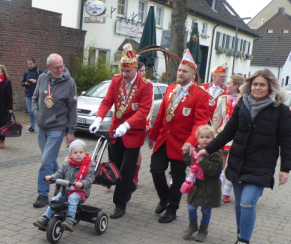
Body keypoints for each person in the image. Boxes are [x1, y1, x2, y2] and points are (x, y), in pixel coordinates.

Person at [197, 69, 291, 244]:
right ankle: (241, 238)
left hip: (262, 165)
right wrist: (208, 150)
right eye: (255, 84)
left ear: (270, 88)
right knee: (240, 206)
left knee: (247, 203)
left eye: (262, 85)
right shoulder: (243, 104)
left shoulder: (280, 110)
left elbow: (286, 141)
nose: (257, 88)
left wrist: (285, 168)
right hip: (238, 162)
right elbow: (228, 132)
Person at [89, 44, 153, 219]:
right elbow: (107, 101)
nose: (124, 74)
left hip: (132, 134)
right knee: (115, 166)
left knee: (126, 170)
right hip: (115, 134)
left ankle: (120, 204)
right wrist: (98, 119)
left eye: (128, 71)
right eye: (122, 70)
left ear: (136, 69)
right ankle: (128, 186)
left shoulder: (146, 86)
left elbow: (143, 111)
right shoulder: (116, 81)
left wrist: (127, 125)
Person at [148, 49, 209, 223]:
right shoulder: (170, 88)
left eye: (184, 71)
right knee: (156, 170)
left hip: (183, 144)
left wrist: (191, 142)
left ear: (193, 74)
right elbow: (161, 115)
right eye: (179, 70)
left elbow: (200, 123)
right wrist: (153, 134)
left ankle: (172, 209)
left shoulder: (200, 95)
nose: (180, 73)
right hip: (163, 139)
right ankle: (164, 198)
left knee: (177, 177)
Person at [31, 54, 78, 208]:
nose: (60, 69)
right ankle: (63, 182)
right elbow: (35, 97)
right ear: (48, 67)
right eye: (56, 67)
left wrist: (70, 131)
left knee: (45, 162)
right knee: (49, 160)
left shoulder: (69, 83)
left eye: (62, 66)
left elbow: (73, 110)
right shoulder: (42, 79)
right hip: (42, 127)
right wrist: (36, 114)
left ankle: (43, 195)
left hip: (57, 128)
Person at [33, 139, 95, 231]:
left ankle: (70, 219)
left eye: (81, 152)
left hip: (80, 192)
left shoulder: (89, 166)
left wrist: (82, 183)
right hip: (65, 190)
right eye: (75, 152)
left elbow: (89, 180)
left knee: (72, 199)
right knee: (55, 199)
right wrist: (51, 177)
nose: (78, 154)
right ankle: (45, 218)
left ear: (85, 153)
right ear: (70, 154)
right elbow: (59, 173)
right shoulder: (67, 164)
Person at [181, 125, 222, 242]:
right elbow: (191, 164)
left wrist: (202, 160)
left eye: (208, 137)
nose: (205, 140)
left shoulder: (216, 154)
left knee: (206, 210)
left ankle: (203, 230)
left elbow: (214, 171)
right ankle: (192, 225)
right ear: (197, 139)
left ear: (213, 139)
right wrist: (185, 154)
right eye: (202, 137)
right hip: (196, 186)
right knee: (191, 207)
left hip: (210, 187)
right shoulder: (196, 150)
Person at [211, 74, 245, 203]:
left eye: (229, 83)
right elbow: (216, 119)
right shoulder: (223, 99)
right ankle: (218, 190)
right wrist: (210, 134)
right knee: (220, 163)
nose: (226, 85)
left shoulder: (244, 100)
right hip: (224, 134)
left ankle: (227, 191)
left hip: (239, 137)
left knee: (234, 164)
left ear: (237, 86)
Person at [133, 61, 154, 189]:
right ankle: (115, 172)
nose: (144, 73)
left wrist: (145, 121)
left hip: (140, 120)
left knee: (136, 149)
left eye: (144, 70)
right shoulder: (129, 84)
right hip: (126, 121)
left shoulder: (147, 85)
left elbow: (148, 106)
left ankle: (135, 175)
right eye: (141, 70)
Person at [22, 58, 42, 133]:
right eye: (28, 64)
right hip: (28, 94)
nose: (29, 65)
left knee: (37, 111)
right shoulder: (26, 72)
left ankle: (40, 125)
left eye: (30, 64)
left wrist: (36, 81)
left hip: (37, 95)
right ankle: (32, 126)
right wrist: (25, 84)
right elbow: (22, 82)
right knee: (30, 111)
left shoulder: (39, 71)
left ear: (34, 63)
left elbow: (44, 81)